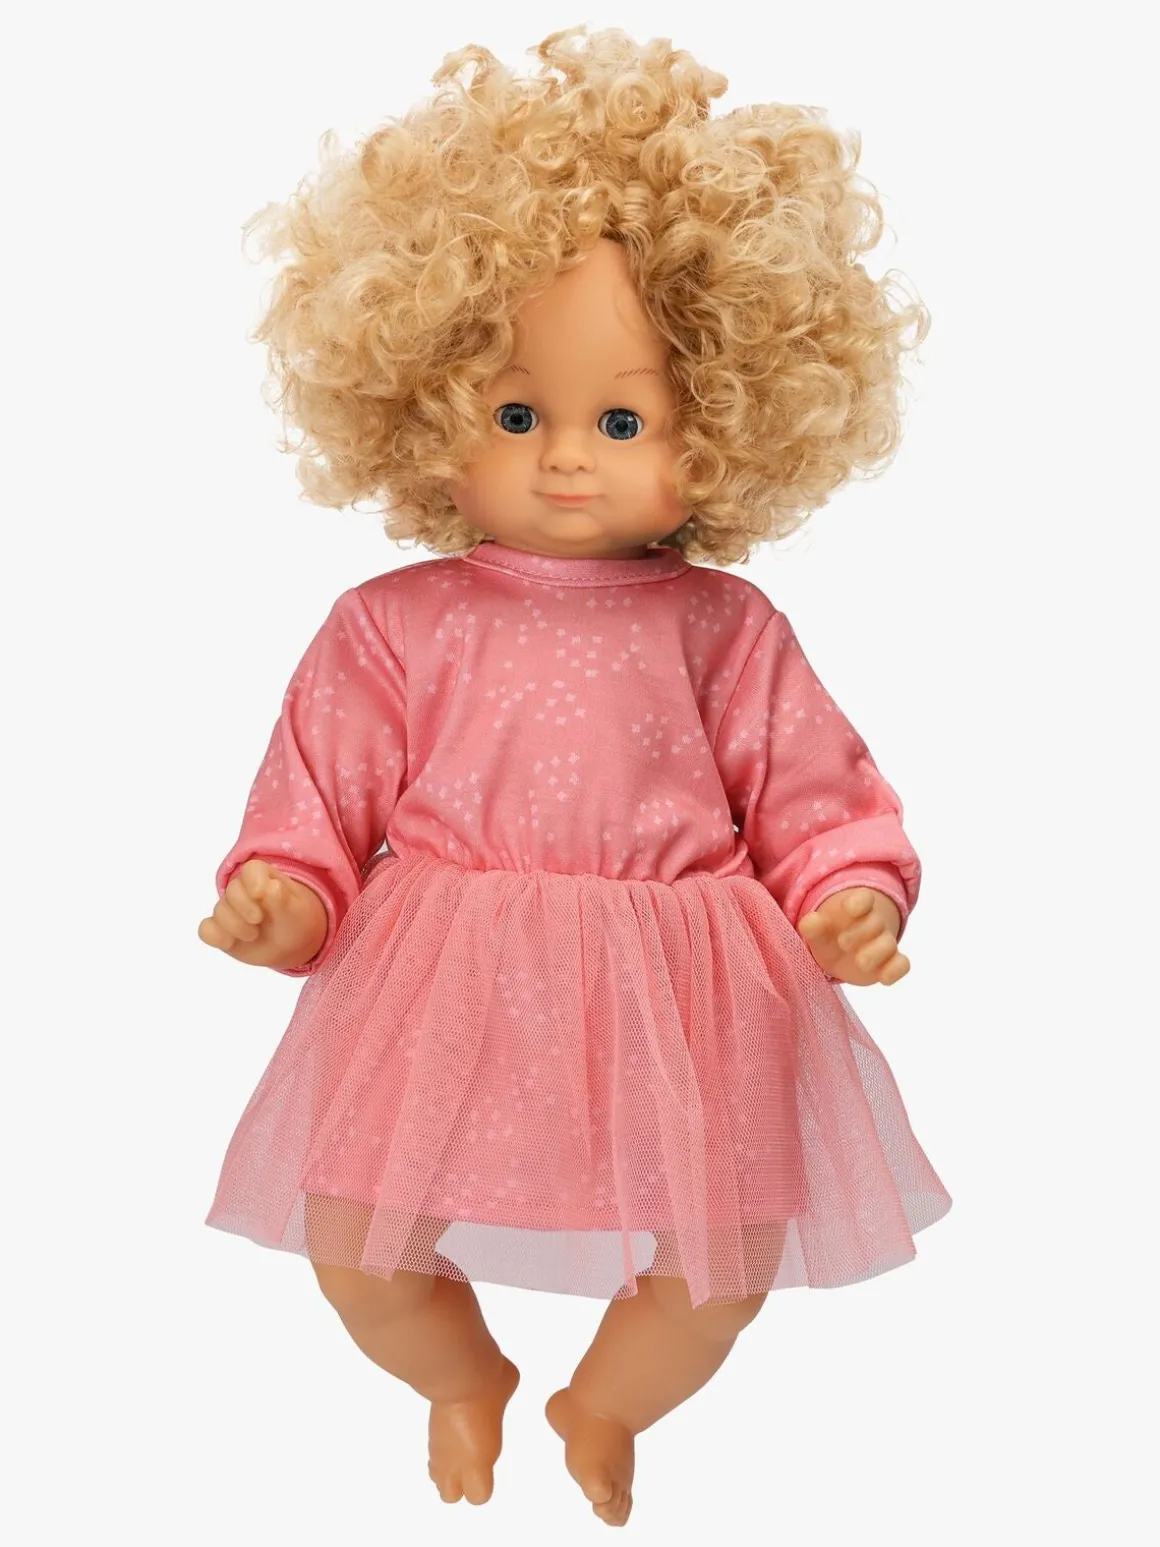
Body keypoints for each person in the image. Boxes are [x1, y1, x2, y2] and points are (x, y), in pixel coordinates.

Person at [198, 27, 950, 1527]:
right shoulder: (394, 623)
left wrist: (849, 891)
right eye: (514, 413)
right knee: (356, 1240)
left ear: (723, 425)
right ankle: (461, 1375)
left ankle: (603, 1402)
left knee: (723, 1259)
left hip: (688, 984)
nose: (563, 459)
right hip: (445, 980)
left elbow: (813, 792)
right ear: (421, 408)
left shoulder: (725, 626)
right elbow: (319, 793)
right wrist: (283, 891)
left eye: (621, 420)